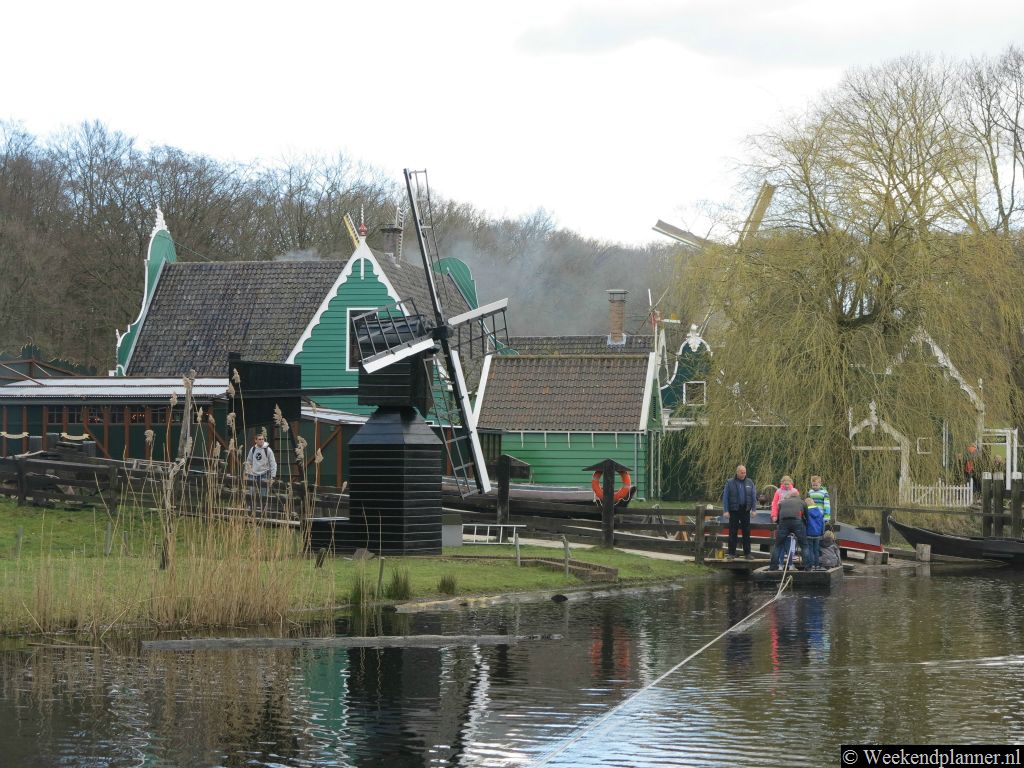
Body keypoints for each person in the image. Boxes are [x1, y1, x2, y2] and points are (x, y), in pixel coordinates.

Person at [721, 464, 757, 560]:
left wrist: (754, 509)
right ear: (737, 472)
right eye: (742, 472)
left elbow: (753, 496)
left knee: (746, 532)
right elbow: (725, 497)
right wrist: (726, 510)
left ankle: (747, 553)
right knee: (732, 532)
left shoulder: (750, 482)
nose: (744, 474)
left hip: (745, 510)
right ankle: (731, 553)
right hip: (734, 511)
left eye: (745, 472)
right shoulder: (730, 482)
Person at [770, 489, 809, 570]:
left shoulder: (782, 503)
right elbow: (807, 517)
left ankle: (773, 567)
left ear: (790, 496)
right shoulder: (802, 502)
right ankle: (808, 568)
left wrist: (780, 525)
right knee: (804, 546)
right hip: (797, 522)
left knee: (778, 545)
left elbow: (778, 518)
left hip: (784, 523)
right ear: (798, 496)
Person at [246, 432, 277, 513]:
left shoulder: (268, 450)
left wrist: (273, 477)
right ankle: (251, 510)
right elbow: (248, 461)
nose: (261, 441)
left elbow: (273, 463)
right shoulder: (252, 449)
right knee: (252, 493)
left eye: (262, 439)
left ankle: (264, 512)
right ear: (255, 440)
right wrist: (247, 473)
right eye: (259, 439)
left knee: (264, 494)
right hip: (253, 474)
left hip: (264, 474)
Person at [804, 496, 825, 569]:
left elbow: (805, 522)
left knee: (810, 549)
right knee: (816, 550)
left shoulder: (807, 512)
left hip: (809, 533)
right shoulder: (819, 512)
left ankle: (811, 564)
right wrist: (822, 532)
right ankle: (817, 564)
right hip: (817, 534)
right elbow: (822, 523)